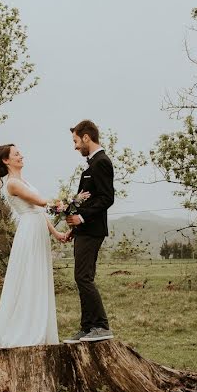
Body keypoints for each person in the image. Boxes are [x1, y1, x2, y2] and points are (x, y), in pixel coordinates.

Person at [0, 144, 67, 348]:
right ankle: (25, 329)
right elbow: (39, 202)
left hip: (38, 227)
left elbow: (39, 210)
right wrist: (62, 205)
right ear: (6, 160)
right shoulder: (12, 184)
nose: (21, 156)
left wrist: (56, 232)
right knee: (30, 275)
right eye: (16, 154)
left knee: (39, 274)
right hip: (29, 231)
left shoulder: (24, 181)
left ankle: (40, 325)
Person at [63, 119, 115, 343]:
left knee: (83, 277)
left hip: (93, 229)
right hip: (83, 230)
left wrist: (82, 217)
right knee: (81, 277)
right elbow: (85, 199)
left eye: (75, 141)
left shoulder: (101, 162)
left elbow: (107, 198)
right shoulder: (90, 164)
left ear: (86, 137)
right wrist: (73, 225)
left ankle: (101, 326)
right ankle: (87, 328)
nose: (74, 146)